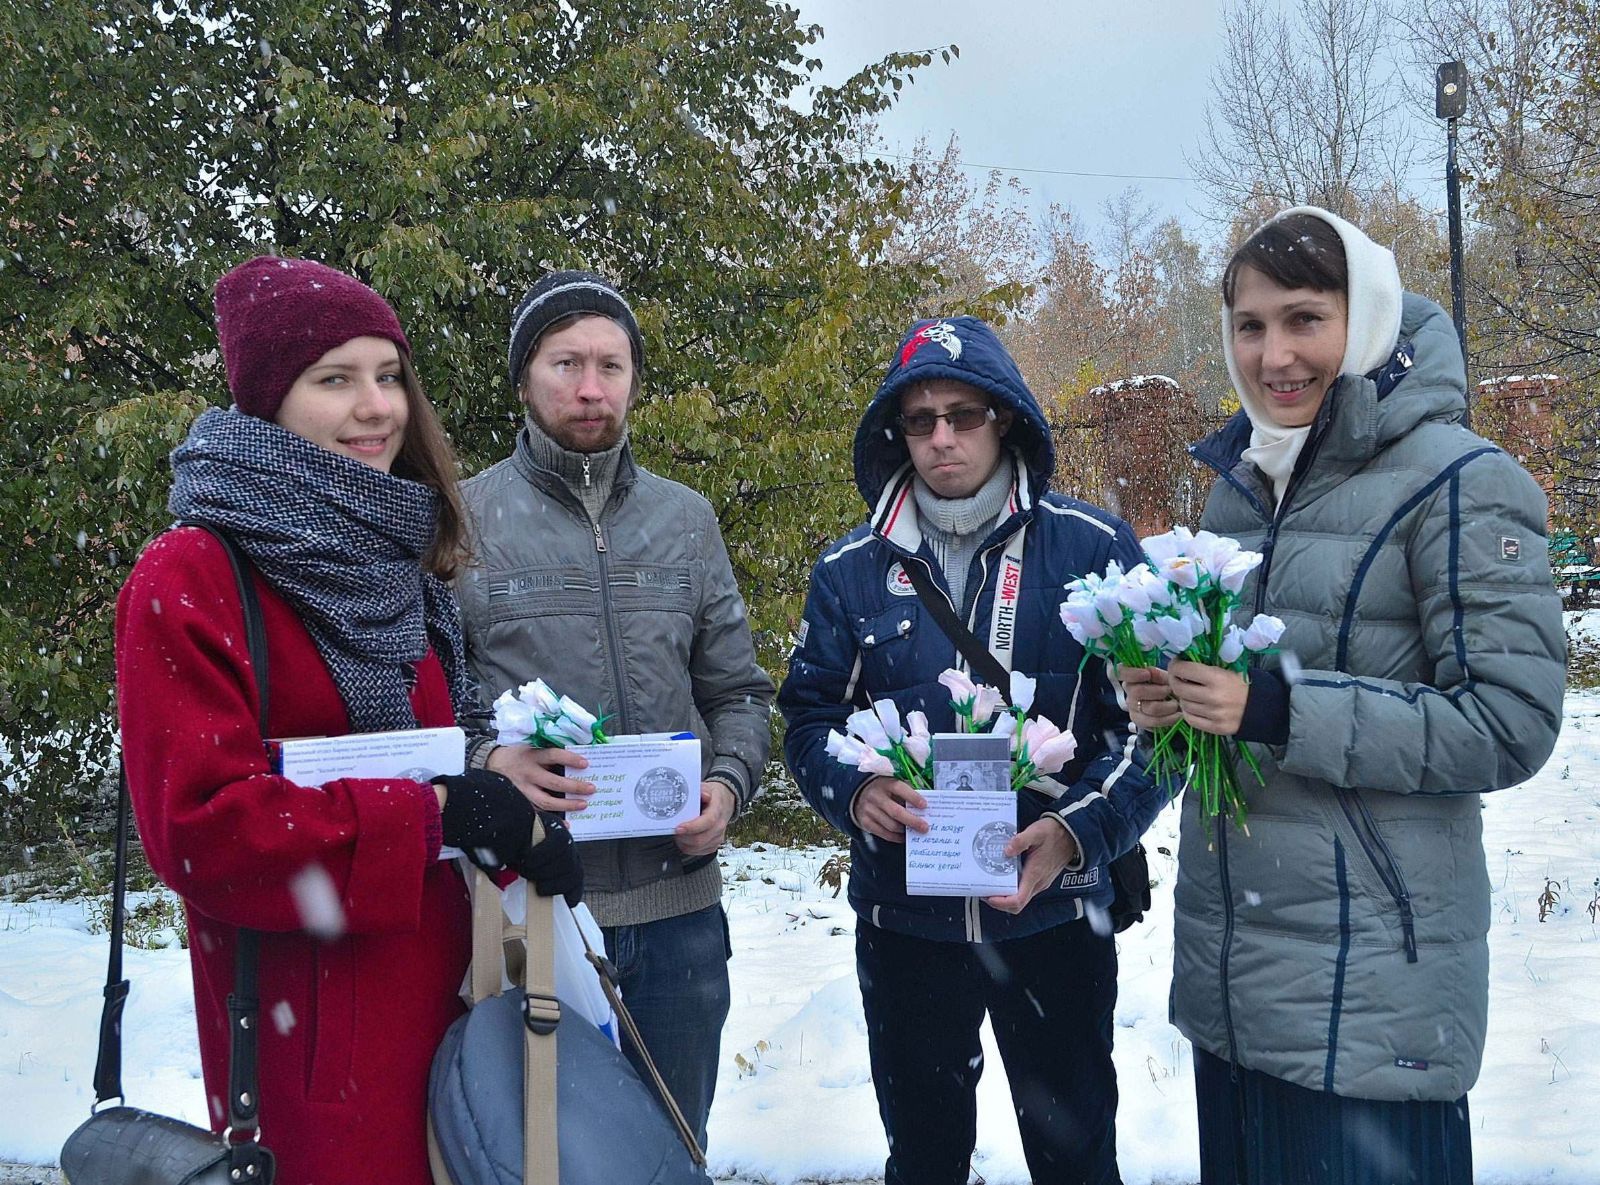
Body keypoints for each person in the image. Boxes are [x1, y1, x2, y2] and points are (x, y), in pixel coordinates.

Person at [1117, 207, 1566, 1184]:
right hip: (1234, 991)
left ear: (1360, 321)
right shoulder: (1237, 487)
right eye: (1248, 324)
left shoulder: (1458, 482)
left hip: (1369, 1003)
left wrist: (1277, 711)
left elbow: (1512, 722)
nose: (1272, 354)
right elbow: (1234, 696)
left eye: (1302, 319)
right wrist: (1169, 699)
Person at [115, 257, 582, 1185]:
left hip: (450, 1015)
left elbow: (438, 748)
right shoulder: (194, 573)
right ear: (268, 401)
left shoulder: (399, 561)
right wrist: (438, 814)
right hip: (307, 1041)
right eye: (335, 379)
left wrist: (503, 816)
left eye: (388, 374)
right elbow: (202, 831)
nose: (378, 407)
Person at [779, 316, 1169, 1185]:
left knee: (1075, 1160)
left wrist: (1075, 834)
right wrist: (855, 794)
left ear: (1007, 419)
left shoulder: (1093, 549)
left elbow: (1155, 731)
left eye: (964, 414)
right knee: (922, 1161)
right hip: (906, 922)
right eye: (921, 420)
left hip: (1054, 913)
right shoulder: (850, 568)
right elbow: (806, 719)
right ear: (897, 432)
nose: (942, 438)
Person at [456, 269, 774, 1148]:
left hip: (680, 923)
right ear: (523, 378)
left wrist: (728, 785)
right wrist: (491, 762)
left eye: (611, 364)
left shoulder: (687, 520)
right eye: (565, 363)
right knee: (543, 1158)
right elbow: (436, 707)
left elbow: (739, 691)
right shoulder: (464, 522)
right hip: (536, 915)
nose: (590, 387)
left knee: (672, 1153)